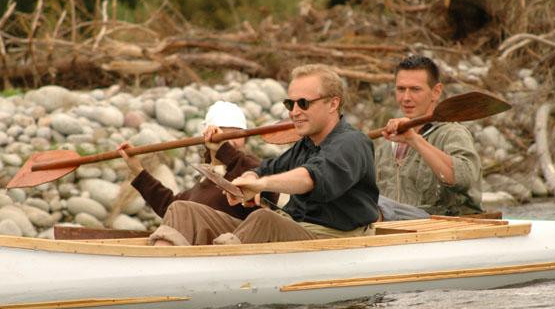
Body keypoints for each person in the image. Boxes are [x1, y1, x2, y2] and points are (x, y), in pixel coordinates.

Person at [148, 63, 380, 246]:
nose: (295, 112)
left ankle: (218, 271)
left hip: (333, 241)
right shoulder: (305, 145)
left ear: (333, 104)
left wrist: (261, 185)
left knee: (264, 219)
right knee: (181, 209)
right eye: (290, 104)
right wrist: (250, 178)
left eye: (303, 103)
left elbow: (310, 178)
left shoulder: (351, 142)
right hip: (297, 231)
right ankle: (160, 271)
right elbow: (264, 168)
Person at [117, 100, 275, 221]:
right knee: (176, 213)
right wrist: (137, 169)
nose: (230, 142)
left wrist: (223, 148)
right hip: (199, 250)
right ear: (208, 139)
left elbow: (266, 187)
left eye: (237, 135)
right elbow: (169, 206)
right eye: (224, 134)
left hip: (228, 249)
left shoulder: (251, 170)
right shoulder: (204, 181)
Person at [376, 55, 483, 216]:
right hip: (395, 232)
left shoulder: (452, 134)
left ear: (436, 92)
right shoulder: (386, 143)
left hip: (444, 229)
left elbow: (464, 179)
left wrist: (414, 140)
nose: (406, 98)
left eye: (415, 89)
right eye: (400, 89)